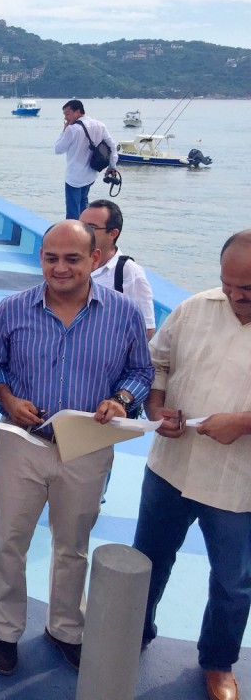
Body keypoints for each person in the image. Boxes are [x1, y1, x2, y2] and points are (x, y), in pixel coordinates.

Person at [0, 220, 153, 676]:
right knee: (8, 542)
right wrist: (8, 398)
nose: (60, 268)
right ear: (41, 258)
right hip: (22, 442)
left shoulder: (124, 314)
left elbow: (140, 372)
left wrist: (120, 402)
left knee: (72, 544)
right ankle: (5, 631)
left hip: (87, 446)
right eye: (50, 257)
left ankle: (64, 628)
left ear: (95, 259)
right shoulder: (13, 309)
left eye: (72, 258)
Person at [133, 229, 251, 700]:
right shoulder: (195, 308)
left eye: (247, 289)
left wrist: (243, 422)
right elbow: (156, 364)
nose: (236, 297)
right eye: (229, 285)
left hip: (236, 482)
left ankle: (218, 662)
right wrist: (155, 409)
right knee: (149, 560)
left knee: (233, 581)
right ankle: (133, 632)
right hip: (171, 466)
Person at [80, 199, 156, 340]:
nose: (83, 232)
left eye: (91, 227)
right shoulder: (71, 264)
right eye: (80, 226)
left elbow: (146, 328)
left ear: (113, 233)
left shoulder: (128, 272)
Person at [55, 99, 119, 220]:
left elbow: (58, 149)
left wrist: (64, 130)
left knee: (72, 211)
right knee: (83, 203)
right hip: (90, 174)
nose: (66, 118)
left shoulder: (72, 129)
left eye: (67, 114)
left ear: (77, 112)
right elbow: (112, 146)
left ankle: (74, 236)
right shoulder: (99, 125)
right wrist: (112, 165)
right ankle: (85, 231)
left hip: (74, 176)